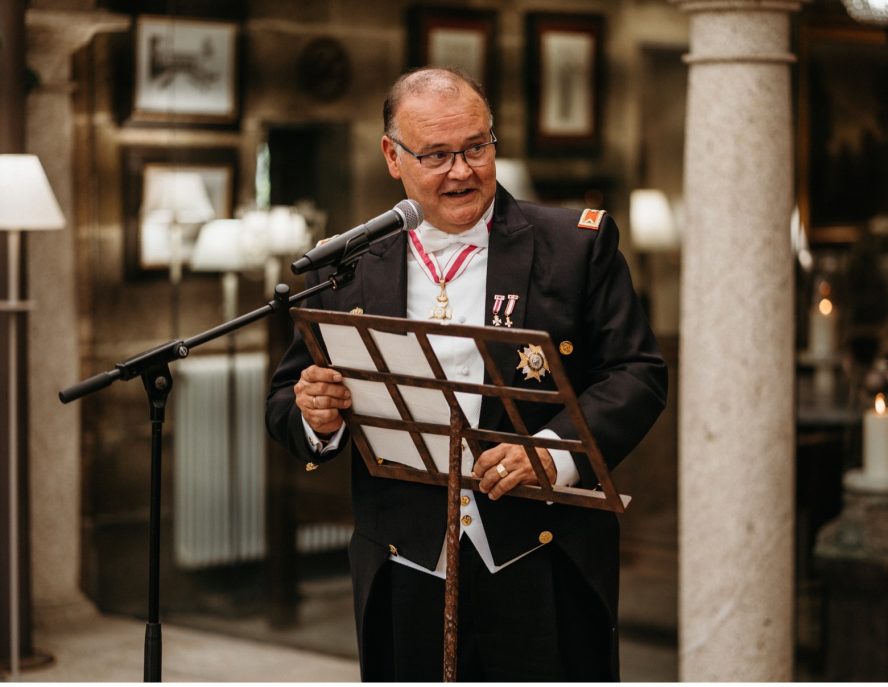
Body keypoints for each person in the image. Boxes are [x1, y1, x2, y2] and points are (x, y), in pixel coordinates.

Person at [265, 66, 667, 681]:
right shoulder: (351, 264)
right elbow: (287, 402)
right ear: (392, 157)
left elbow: (637, 373)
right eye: (436, 154)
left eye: (477, 147)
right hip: (403, 559)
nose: (462, 171)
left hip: (543, 553)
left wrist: (552, 453)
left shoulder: (575, 246)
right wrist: (315, 417)